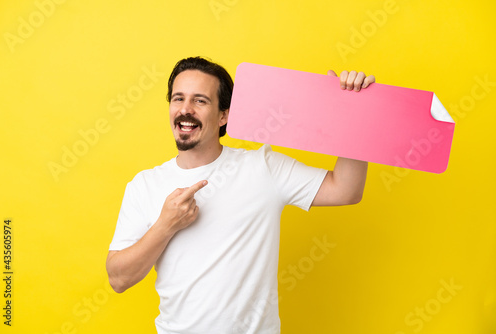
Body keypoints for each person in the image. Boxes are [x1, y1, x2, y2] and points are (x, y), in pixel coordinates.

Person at [106, 56, 375, 334]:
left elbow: (346, 189)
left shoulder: (263, 167)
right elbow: (118, 279)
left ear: (224, 115)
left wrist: (351, 113)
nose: (185, 110)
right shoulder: (144, 185)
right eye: (178, 98)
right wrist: (166, 225)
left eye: (200, 101)